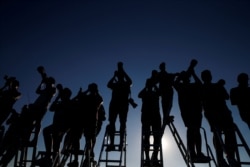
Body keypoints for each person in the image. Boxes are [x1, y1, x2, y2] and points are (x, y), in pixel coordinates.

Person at [201, 69, 240, 167]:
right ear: (203, 78)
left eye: (209, 75)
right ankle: (221, 159)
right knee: (217, 133)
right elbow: (202, 99)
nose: (208, 77)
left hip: (224, 112)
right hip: (212, 113)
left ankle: (231, 157)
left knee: (230, 133)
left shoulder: (218, 86)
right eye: (206, 76)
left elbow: (227, 97)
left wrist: (220, 87)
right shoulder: (202, 88)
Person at [173, 59, 210, 163]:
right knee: (191, 130)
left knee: (196, 130)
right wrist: (186, 72)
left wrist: (192, 72)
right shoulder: (180, 86)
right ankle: (193, 153)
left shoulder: (193, 85)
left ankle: (198, 153)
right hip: (187, 112)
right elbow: (175, 82)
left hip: (197, 110)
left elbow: (200, 84)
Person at [35, 84, 73, 166]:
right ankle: (54, 162)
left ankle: (49, 156)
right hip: (57, 125)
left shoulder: (69, 103)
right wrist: (58, 97)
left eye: (64, 95)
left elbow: (70, 117)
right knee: (56, 146)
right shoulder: (60, 103)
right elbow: (51, 108)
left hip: (62, 126)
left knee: (46, 131)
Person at [106, 62, 136, 151]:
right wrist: (114, 76)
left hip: (122, 105)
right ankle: (112, 144)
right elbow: (108, 84)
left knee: (122, 123)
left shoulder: (126, 84)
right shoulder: (116, 84)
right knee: (112, 123)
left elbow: (130, 81)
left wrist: (122, 71)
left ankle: (120, 144)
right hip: (115, 105)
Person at [138, 78, 161, 166]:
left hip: (155, 115)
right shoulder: (145, 93)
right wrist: (146, 87)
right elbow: (139, 95)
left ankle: (155, 157)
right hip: (146, 115)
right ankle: (147, 159)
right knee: (146, 136)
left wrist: (154, 84)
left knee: (157, 137)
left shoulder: (156, 92)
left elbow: (160, 93)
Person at [157, 62, 177, 126]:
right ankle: (166, 118)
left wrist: (175, 75)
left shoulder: (165, 74)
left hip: (168, 91)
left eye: (164, 66)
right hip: (164, 91)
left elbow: (171, 76)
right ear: (161, 67)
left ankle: (166, 117)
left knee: (169, 105)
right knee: (165, 105)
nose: (164, 67)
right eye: (162, 66)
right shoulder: (160, 74)